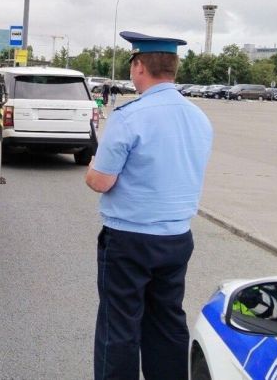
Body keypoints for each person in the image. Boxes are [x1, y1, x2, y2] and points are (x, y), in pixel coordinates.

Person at [84, 31, 213, 380]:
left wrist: (92, 168)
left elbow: (102, 181)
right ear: (172, 68)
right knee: (167, 323)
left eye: (132, 66)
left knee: (119, 327)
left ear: (139, 66)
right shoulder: (199, 118)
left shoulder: (129, 117)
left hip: (129, 240)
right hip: (176, 239)